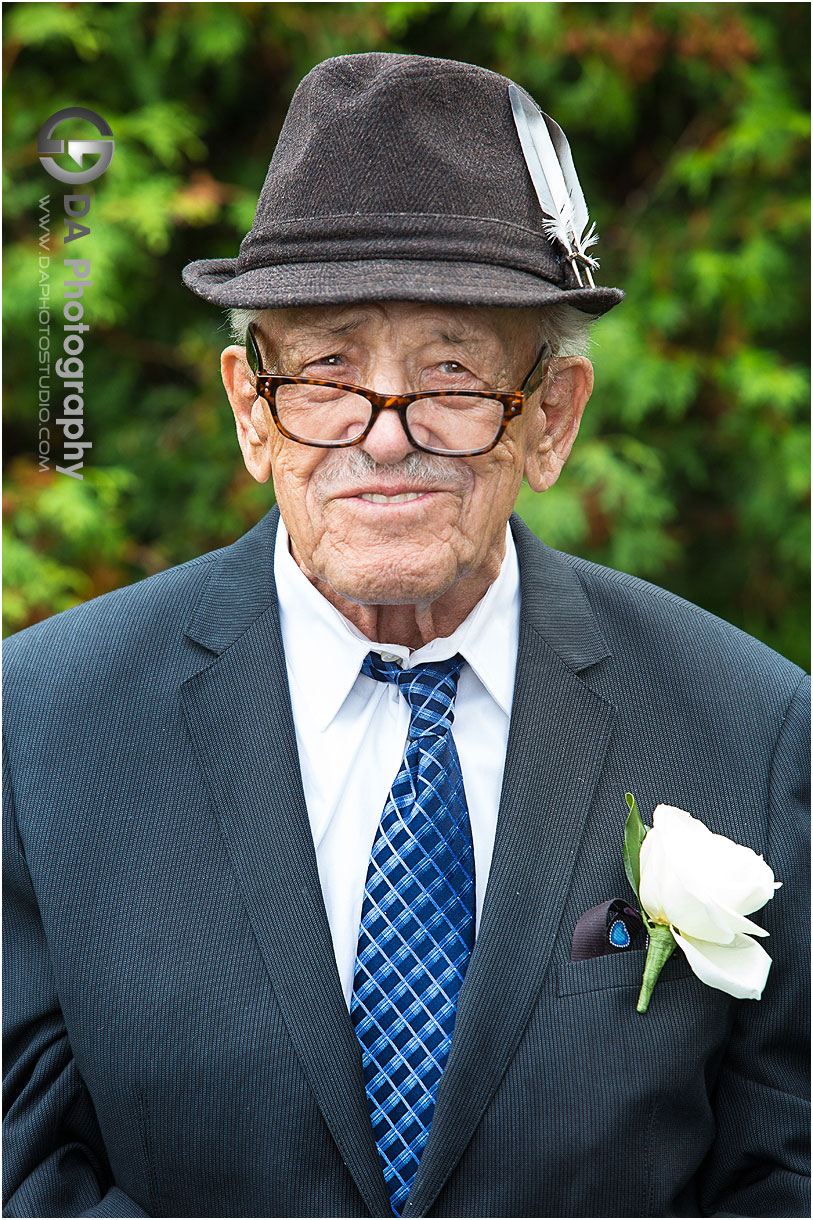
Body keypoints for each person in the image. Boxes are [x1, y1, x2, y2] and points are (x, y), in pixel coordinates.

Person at [3, 53, 808, 1220]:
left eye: (453, 370)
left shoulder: (758, 729)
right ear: (250, 410)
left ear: (551, 419)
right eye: (327, 368)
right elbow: (23, 1161)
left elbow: (788, 1169)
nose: (386, 436)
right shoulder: (38, 729)